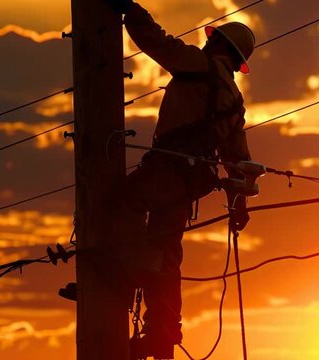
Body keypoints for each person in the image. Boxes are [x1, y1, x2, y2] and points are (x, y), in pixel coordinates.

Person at [111, 0, 255, 358]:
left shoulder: (198, 64)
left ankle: (118, 282)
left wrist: (129, 9)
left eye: (212, 39)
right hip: (191, 181)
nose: (206, 43)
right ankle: (162, 330)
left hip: (168, 170)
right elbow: (239, 161)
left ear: (220, 45)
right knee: (167, 250)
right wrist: (240, 204)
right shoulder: (234, 100)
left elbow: (158, 43)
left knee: (117, 203)